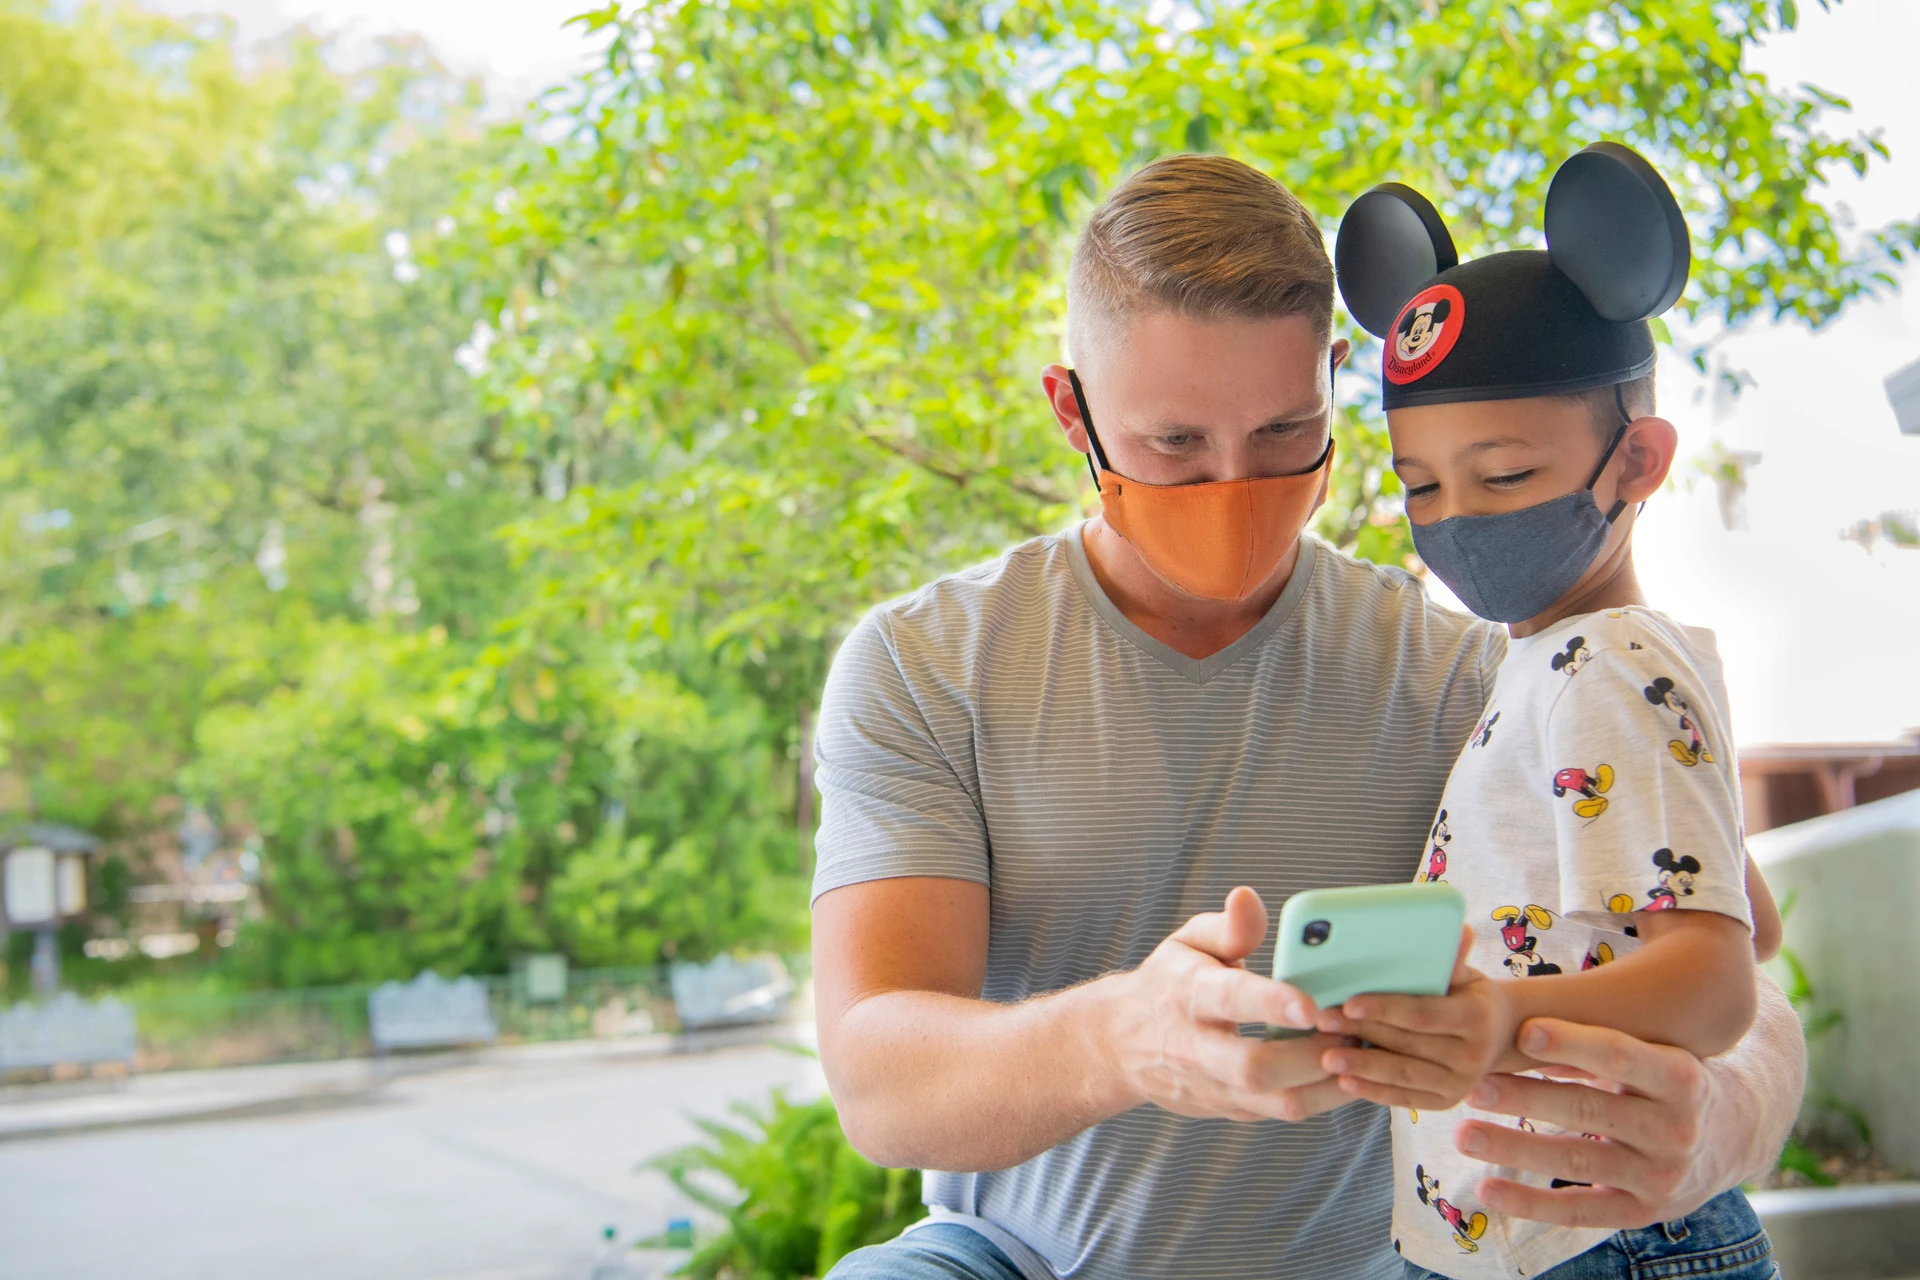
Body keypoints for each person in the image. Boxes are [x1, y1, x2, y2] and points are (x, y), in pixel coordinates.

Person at [809, 154, 1806, 1280]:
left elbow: (1727, 943)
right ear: (1070, 409)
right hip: (1021, 1258)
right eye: (1175, 443)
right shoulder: (927, 666)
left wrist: (1721, 1121)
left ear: (1337, 379)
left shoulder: (1477, 674)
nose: (1233, 486)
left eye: (1285, 431)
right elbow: (879, 1083)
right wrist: (1123, 1037)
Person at [1320, 144, 1784, 1280]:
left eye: (1505, 477)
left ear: (1638, 459)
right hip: (1542, 1230)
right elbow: (1748, 917)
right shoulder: (1548, 662)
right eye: (1422, 485)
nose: (1456, 519)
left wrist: (1499, 1021)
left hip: (1601, 1239)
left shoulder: (1606, 663)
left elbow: (1720, 981)